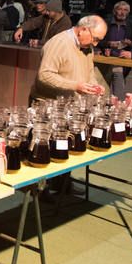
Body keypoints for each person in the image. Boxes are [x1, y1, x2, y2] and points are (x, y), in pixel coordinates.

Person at [31, 15, 107, 198]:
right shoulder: (59, 43)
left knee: (64, 147)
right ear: (83, 30)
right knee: (44, 148)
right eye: (95, 39)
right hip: (46, 105)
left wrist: (94, 85)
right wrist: (76, 86)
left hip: (68, 106)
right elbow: (45, 75)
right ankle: (39, 190)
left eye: (99, 40)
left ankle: (63, 185)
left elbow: (89, 72)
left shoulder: (86, 48)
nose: (96, 44)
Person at [97, 1, 132, 99]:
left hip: (121, 64)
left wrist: (131, 44)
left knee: (118, 94)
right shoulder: (105, 23)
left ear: (128, 12)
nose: (122, 12)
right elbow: (97, 41)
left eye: (125, 10)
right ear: (114, 11)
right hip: (105, 61)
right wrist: (107, 45)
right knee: (102, 92)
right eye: (120, 9)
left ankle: (117, 111)